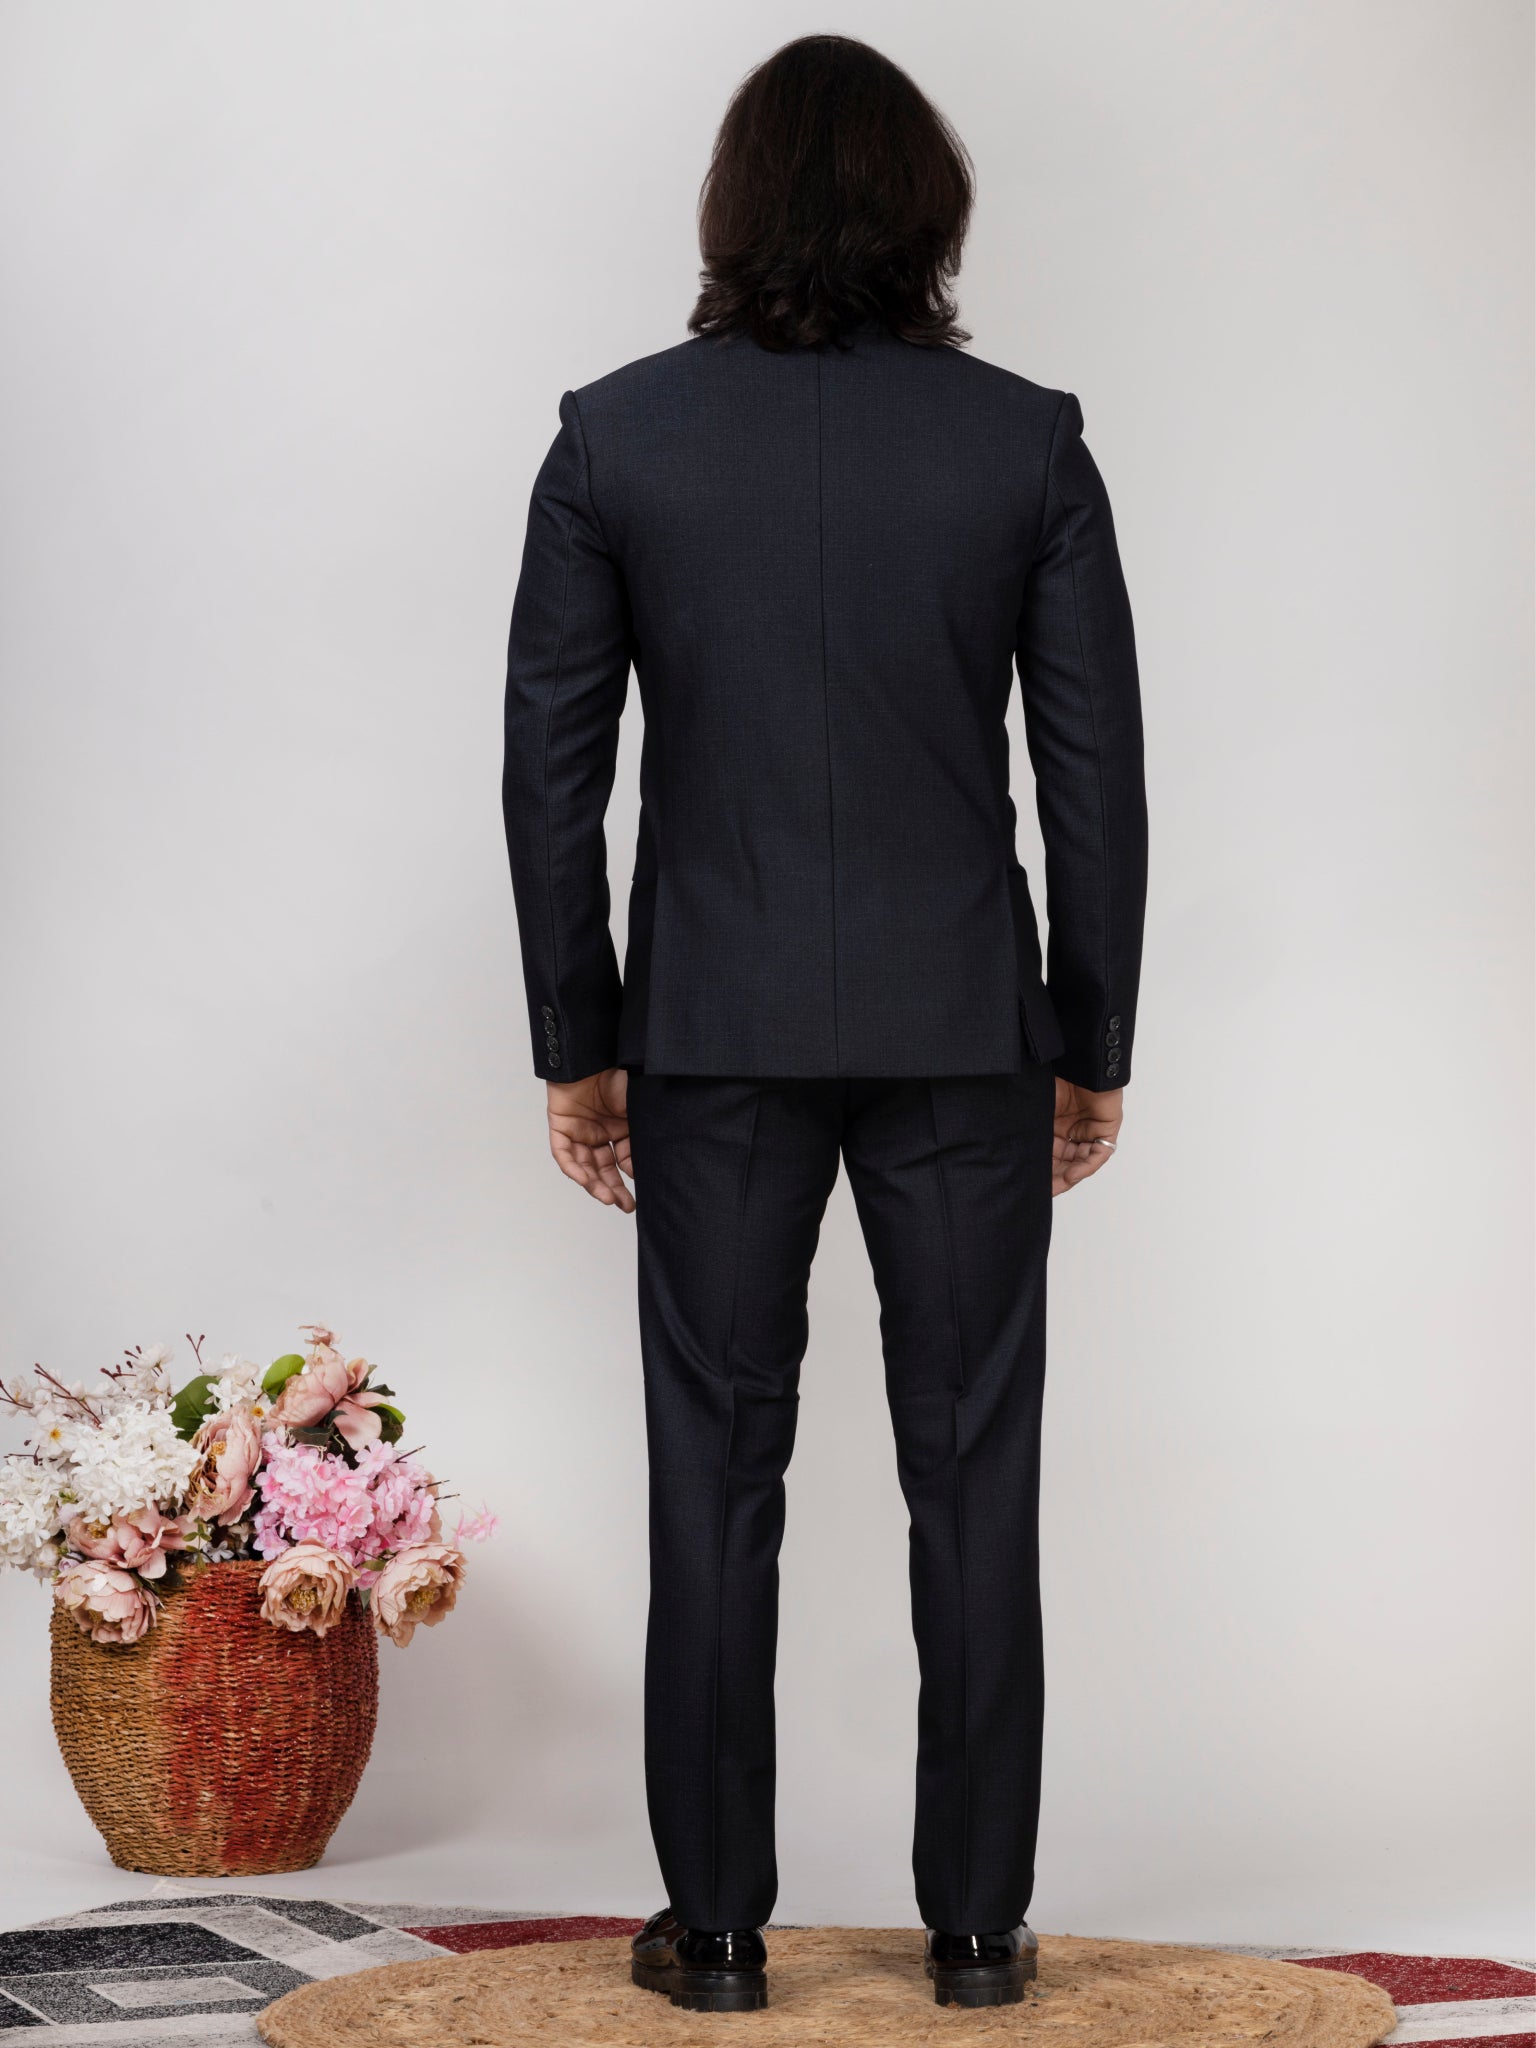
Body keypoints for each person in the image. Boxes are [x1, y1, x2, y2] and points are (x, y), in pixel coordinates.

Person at [502, 33, 1146, 2016]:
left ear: (732, 206)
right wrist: (1091, 1040)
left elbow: (551, 775)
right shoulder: (1025, 444)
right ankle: (979, 1930)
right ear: (928, 214)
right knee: (976, 1477)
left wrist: (579, 1040)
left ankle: (714, 1934)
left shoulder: (615, 439)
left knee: (713, 1475)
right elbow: (1096, 777)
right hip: (964, 1033)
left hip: (713, 1031)